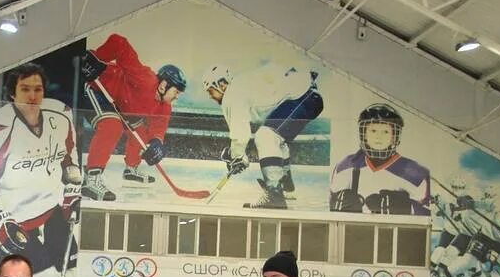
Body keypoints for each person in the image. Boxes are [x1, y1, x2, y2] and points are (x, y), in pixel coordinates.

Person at [0, 63, 80, 274]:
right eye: (25, 89)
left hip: (52, 212)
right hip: (11, 221)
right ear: (12, 94)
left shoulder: (60, 115)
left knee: (70, 269)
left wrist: (73, 184)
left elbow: (69, 156)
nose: (32, 96)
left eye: (37, 89)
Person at [79, 34, 186, 201]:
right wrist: (97, 59)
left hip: (122, 106)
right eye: (177, 91)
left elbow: (158, 129)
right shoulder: (146, 79)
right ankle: (91, 179)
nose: (177, 96)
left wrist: (156, 144)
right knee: (111, 125)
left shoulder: (164, 106)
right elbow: (118, 42)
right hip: (97, 88)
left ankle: (131, 169)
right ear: (164, 85)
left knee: (141, 130)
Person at [203, 63, 324, 209]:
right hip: (309, 96)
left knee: (265, 136)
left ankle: (274, 195)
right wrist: (238, 156)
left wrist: (237, 156)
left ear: (222, 84)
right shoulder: (240, 85)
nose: (210, 96)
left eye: (210, 91)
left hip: (304, 97)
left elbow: (240, 134)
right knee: (276, 139)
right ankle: (286, 187)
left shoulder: (232, 94)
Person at [330, 103, 430, 216]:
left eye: (385, 132)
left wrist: (407, 208)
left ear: (394, 137)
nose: (378, 136)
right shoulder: (346, 166)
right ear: (364, 135)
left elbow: (429, 214)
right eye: (373, 131)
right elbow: (332, 203)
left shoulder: (415, 173)